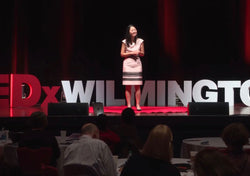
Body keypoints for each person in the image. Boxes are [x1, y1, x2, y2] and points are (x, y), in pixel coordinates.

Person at [120, 24, 145, 111]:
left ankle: (138, 104)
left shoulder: (140, 41)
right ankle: (129, 105)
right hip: (128, 64)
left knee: (137, 85)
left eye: (135, 29)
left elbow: (142, 53)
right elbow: (122, 54)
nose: (134, 31)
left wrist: (138, 52)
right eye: (132, 30)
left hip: (137, 64)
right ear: (128, 32)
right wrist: (132, 53)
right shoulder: (124, 42)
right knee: (128, 86)